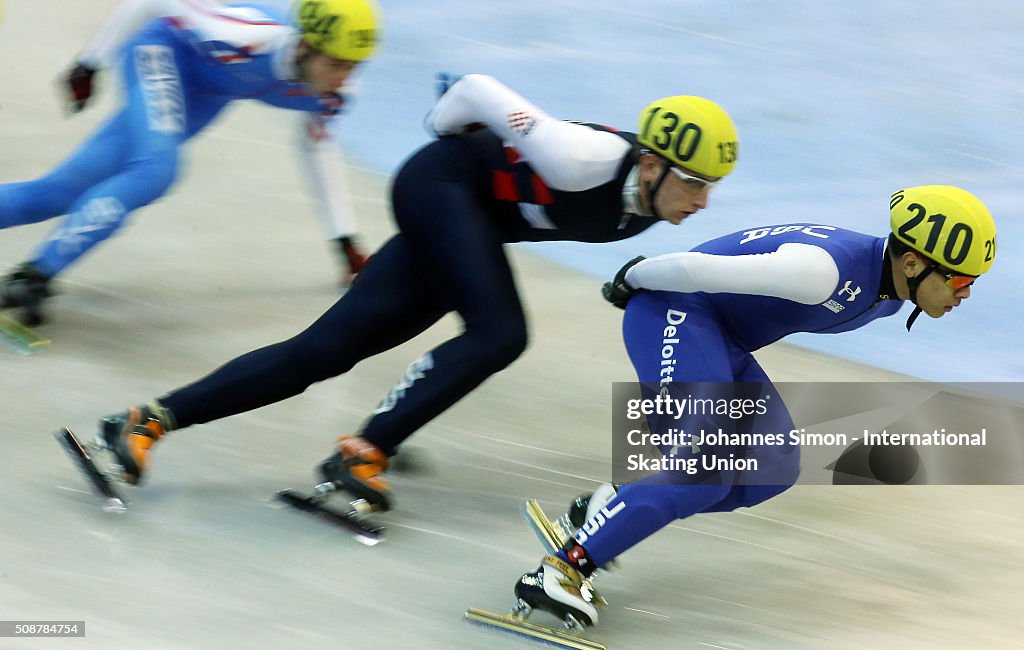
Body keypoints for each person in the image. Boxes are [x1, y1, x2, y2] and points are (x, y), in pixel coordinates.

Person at [76, 74, 742, 517]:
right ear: (651, 163)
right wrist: (441, 127)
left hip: (466, 221)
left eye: (711, 185)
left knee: (324, 352)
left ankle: (148, 420)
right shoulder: (581, 158)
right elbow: (479, 90)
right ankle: (367, 450)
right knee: (501, 332)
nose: (703, 200)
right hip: (441, 189)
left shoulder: (655, 201)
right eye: (693, 182)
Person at [509, 185, 997, 628]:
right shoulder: (825, 273)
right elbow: (694, 268)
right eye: (961, 280)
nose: (966, 293)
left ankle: (611, 507)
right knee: (704, 467)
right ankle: (561, 571)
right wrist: (630, 278)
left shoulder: (889, 290)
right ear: (913, 263)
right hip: (674, 310)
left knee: (773, 468)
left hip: (721, 338)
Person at [0, 0, 380, 325]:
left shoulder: (336, 94)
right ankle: (36, 274)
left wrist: (343, 239)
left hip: (204, 94)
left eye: (354, 67)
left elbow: (315, 146)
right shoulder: (245, 37)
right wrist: (90, 62)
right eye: (337, 64)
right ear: (304, 47)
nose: (344, 78)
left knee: (57, 192)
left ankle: (35, 272)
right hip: (161, 51)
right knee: (157, 169)